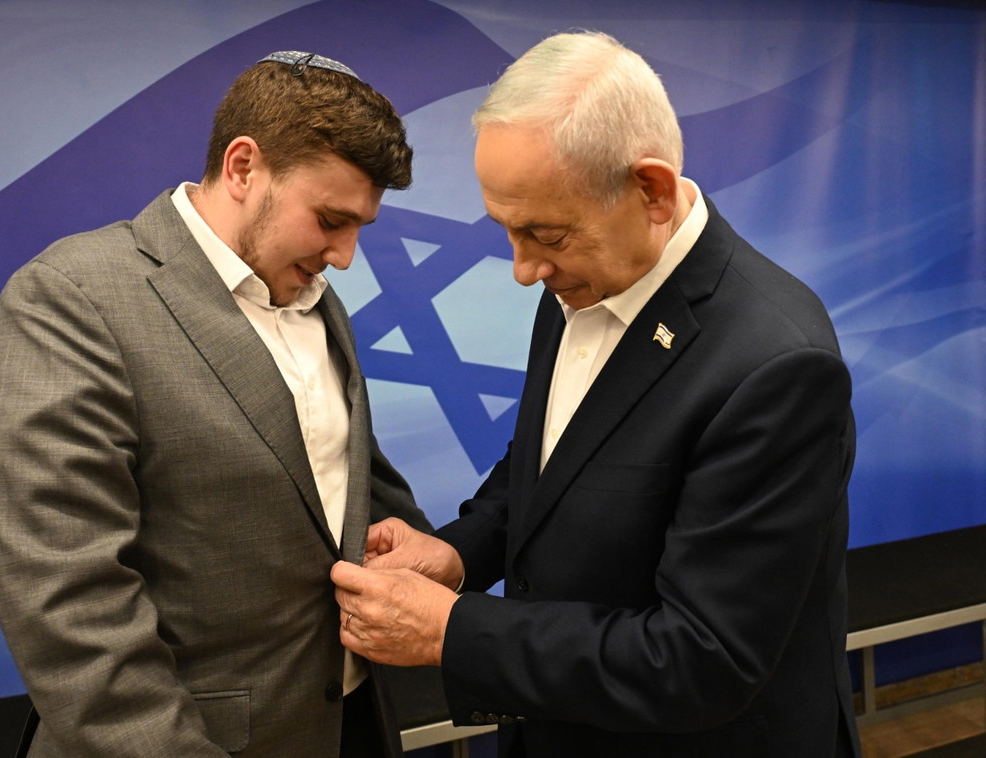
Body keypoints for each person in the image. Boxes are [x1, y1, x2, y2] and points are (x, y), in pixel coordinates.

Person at [331, 31, 861, 757]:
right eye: (507, 231)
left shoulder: (776, 365)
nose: (522, 269)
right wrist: (457, 555)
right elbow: (557, 463)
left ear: (651, 191)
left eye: (545, 234)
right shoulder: (581, 276)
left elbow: (702, 658)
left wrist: (451, 630)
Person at [0, 50, 431, 758]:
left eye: (359, 228)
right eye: (329, 220)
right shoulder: (70, 300)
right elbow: (68, 607)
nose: (345, 256)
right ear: (243, 167)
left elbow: (339, 485)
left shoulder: (315, 298)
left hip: (350, 724)